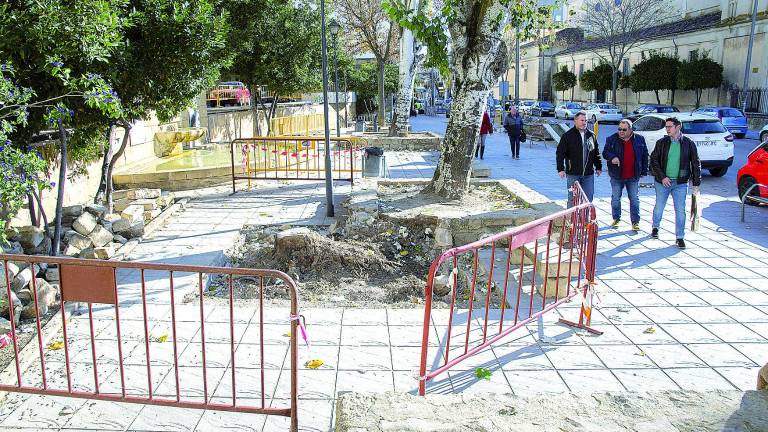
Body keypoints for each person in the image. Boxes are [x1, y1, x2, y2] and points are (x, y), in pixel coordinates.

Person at [649, 117, 701, 249]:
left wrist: (696, 184)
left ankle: (680, 237)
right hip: (662, 182)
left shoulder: (688, 143)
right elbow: (654, 161)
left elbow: (695, 163)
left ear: (678, 127)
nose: (667, 129)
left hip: (680, 183)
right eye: (666, 127)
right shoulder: (662, 142)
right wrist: (662, 177)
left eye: (669, 127)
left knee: (680, 211)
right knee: (659, 207)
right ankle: (655, 227)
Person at [602, 119, 649, 231]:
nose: (621, 131)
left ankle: (635, 222)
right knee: (616, 199)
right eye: (619, 129)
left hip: (633, 176)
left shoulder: (639, 139)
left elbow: (644, 155)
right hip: (617, 175)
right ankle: (616, 219)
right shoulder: (612, 139)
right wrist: (612, 157)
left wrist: (643, 171)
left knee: (634, 199)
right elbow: (605, 152)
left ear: (631, 130)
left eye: (624, 129)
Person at [556, 111, 602, 206]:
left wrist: (599, 166)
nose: (584, 123)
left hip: (588, 174)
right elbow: (560, 153)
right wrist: (560, 169)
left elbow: (596, 152)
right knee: (573, 198)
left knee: (588, 199)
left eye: (586, 120)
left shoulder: (591, 135)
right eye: (582, 120)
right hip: (573, 174)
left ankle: (585, 219)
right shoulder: (567, 136)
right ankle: (571, 219)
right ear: (575, 121)